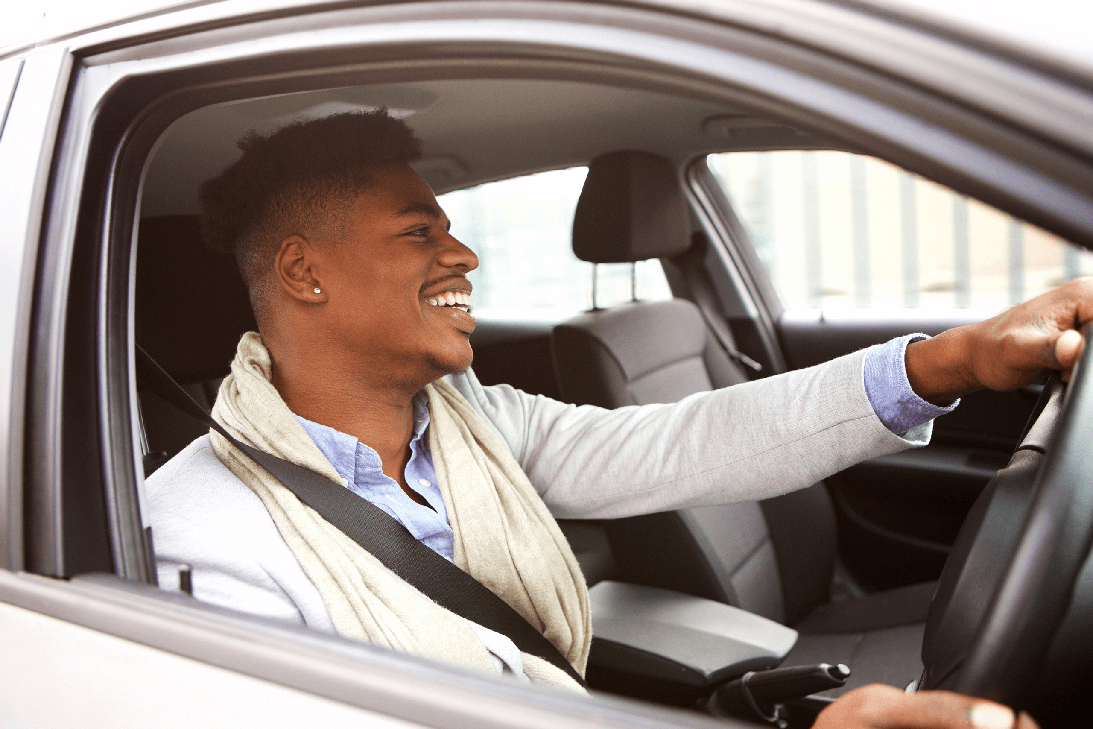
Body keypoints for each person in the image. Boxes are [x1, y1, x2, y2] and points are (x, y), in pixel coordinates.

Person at [146, 110, 1076, 728]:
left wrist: (951, 358)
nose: (463, 251)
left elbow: (689, 441)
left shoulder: (476, 423)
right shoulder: (202, 538)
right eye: (418, 230)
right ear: (307, 273)